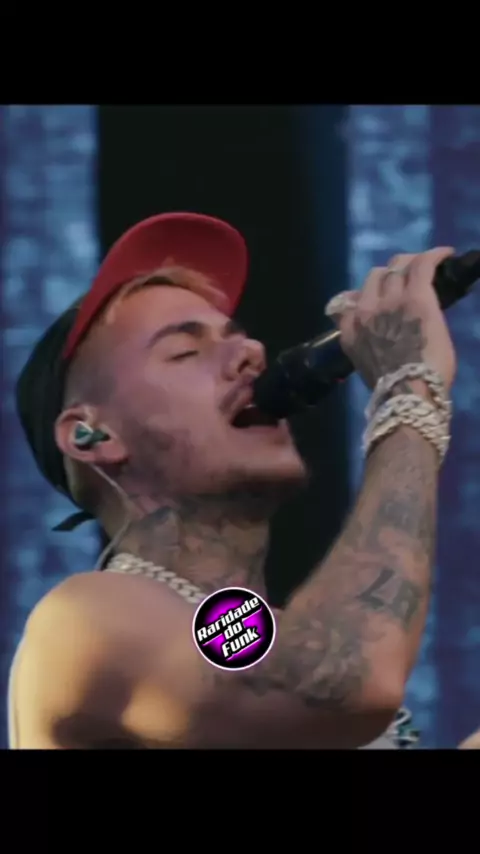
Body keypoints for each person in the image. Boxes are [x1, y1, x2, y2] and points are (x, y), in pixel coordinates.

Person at [9, 211, 455, 749]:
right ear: (91, 436)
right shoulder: (84, 622)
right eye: (185, 351)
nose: (253, 353)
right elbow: (351, 681)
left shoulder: (272, 639)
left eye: (238, 338)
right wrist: (411, 388)